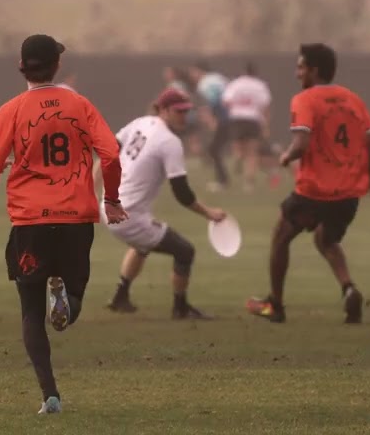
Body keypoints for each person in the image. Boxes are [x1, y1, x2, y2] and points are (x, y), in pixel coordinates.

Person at [0, 34, 128, 416]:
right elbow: (110, 154)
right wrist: (111, 199)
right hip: (76, 218)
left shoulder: (10, 110)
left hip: (30, 221)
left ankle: (50, 396)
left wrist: (9, 164)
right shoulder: (80, 104)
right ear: (57, 66)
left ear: (21, 67)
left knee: (30, 310)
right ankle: (64, 299)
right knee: (73, 298)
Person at [246, 44, 370, 324]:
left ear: (314, 70)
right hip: (349, 193)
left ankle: (276, 305)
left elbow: (301, 142)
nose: (297, 73)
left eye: (301, 67)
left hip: (315, 191)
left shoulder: (305, 99)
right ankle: (348, 288)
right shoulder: (353, 99)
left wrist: (286, 155)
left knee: (280, 238)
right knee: (325, 238)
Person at [106, 88, 227, 319]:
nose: (184, 116)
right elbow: (182, 193)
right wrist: (209, 213)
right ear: (163, 110)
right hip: (128, 216)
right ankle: (180, 308)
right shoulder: (169, 142)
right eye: (178, 112)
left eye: (186, 112)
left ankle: (120, 297)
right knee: (185, 251)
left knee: (142, 245)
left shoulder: (141, 122)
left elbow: (108, 149)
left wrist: (93, 187)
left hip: (110, 206)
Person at [222, 62, 272, 190]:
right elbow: (265, 106)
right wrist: (266, 126)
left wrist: (233, 110)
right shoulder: (260, 85)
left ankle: (238, 158)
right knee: (252, 153)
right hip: (253, 119)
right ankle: (249, 183)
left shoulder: (235, 83)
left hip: (237, 118)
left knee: (238, 149)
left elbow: (225, 101)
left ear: (244, 71)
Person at [190, 61, 231, 191]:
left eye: (193, 71)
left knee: (213, 149)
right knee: (216, 148)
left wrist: (212, 119)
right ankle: (223, 180)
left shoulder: (204, 83)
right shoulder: (219, 78)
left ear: (199, 70)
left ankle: (222, 181)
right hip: (234, 116)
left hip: (224, 118)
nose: (192, 75)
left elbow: (212, 102)